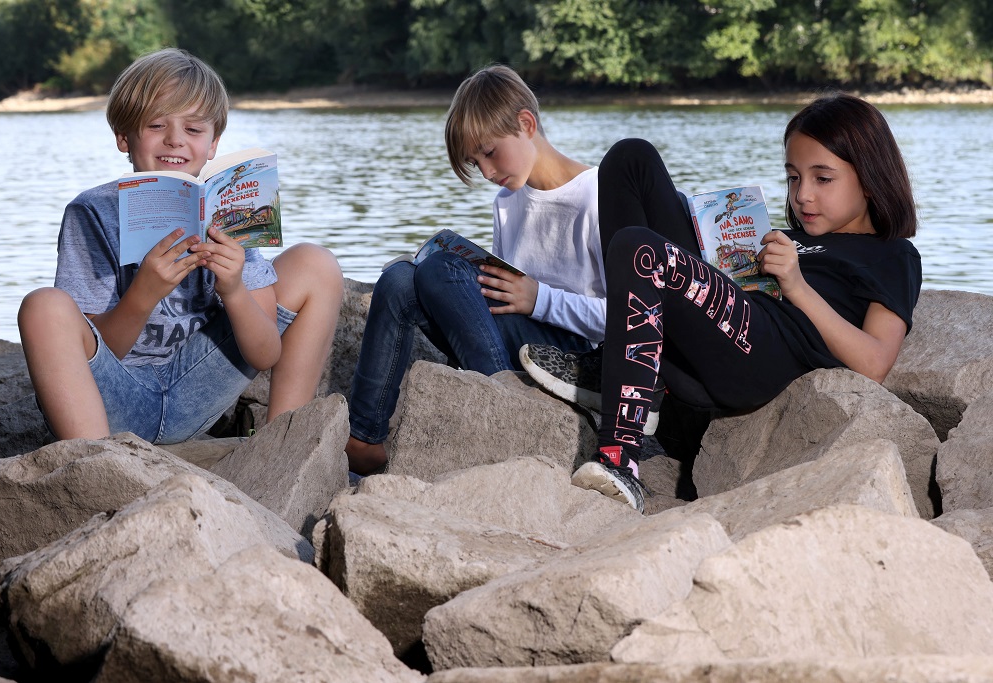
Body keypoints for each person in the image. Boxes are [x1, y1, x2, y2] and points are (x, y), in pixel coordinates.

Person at [521, 93, 922, 513]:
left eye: (823, 179)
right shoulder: (791, 236)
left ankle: (620, 458)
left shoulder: (891, 254)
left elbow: (874, 362)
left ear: (870, 177)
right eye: (793, 177)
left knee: (639, 249)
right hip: (717, 334)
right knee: (630, 158)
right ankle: (635, 374)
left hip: (761, 358)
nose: (803, 195)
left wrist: (797, 286)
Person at [17, 48, 343, 444]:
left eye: (193, 129)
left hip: (197, 387)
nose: (175, 140)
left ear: (213, 143)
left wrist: (235, 289)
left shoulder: (226, 208)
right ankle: (95, 467)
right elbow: (93, 351)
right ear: (124, 137)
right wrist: (144, 294)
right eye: (156, 125)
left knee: (316, 263)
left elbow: (264, 354)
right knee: (42, 306)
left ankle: (281, 447)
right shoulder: (92, 212)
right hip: (114, 403)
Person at [345, 64, 606, 475]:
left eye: (489, 152)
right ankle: (365, 439)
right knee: (398, 279)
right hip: (509, 339)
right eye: (475, 161)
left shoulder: (596, 196)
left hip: (578, 359)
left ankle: (499, 420)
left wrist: (540, 300)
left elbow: (627, 321)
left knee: (438, 271)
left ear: (526, 123)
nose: (486, 172)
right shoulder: (508, 201)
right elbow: (496, 293)